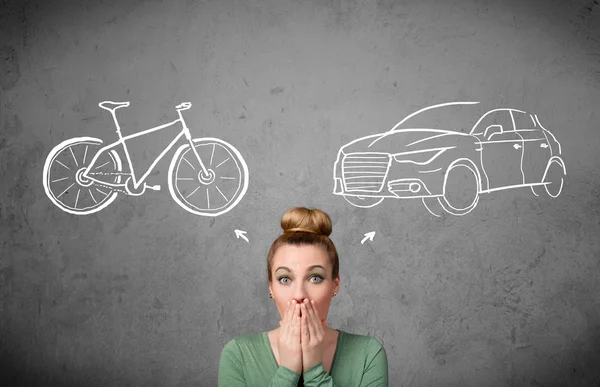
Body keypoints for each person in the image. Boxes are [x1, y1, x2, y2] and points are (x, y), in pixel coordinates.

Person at [218, 207, 388, 386]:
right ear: (271, 287)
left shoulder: (368, 353)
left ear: (335, 285)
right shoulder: (238, 355)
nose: (299, 294)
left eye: (315, 278)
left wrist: (314, 371)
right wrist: (287, 373)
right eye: (285, 279)